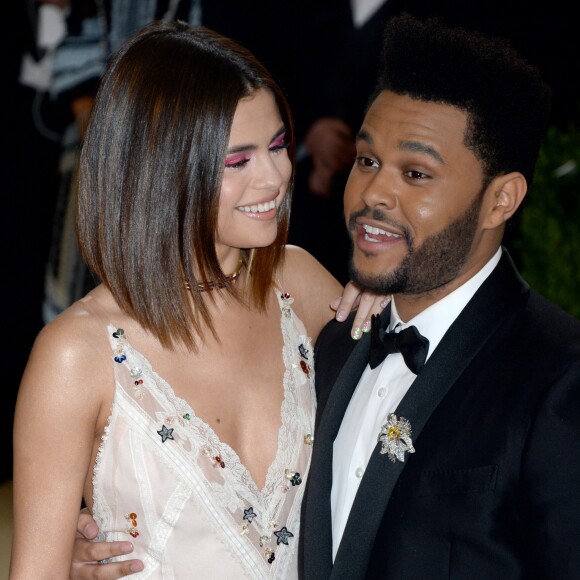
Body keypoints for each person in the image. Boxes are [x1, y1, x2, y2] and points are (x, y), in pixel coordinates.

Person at [10, 21, 383, 580]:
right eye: (239, 161)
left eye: (278, 145)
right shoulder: (76, 353)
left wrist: (390, 307)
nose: (276, 177)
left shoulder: (299, 283)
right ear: (162, 168)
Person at [300, 14, 580, 579]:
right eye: (368, 160)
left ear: (501, 200)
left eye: (417, 173)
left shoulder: (561, 379)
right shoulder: (336, 342)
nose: (374, 192)